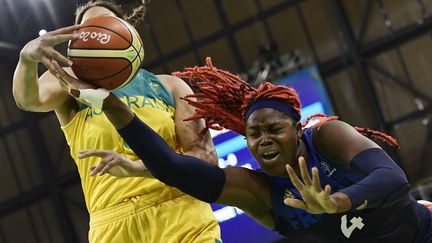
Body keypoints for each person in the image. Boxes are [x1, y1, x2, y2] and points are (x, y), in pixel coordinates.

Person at [61, 57, 432, 243]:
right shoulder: (257, 191)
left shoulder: (327, 137)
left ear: (297, 129)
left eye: (275, 129)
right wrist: (113, 106)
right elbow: (173, 168)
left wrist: (338, 202)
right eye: (254, 134)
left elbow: (393, 179)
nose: (264, 140)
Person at [12, 1, 222, 242]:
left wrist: (142, 169)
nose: (98, 32)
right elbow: (28, 100)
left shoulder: (171, 86)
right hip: (112, 225)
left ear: (126, 31)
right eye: (89, 28)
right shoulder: (65, 80)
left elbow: (206, 159)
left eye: (106, 25)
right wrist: (26, 60)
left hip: (182, 214)